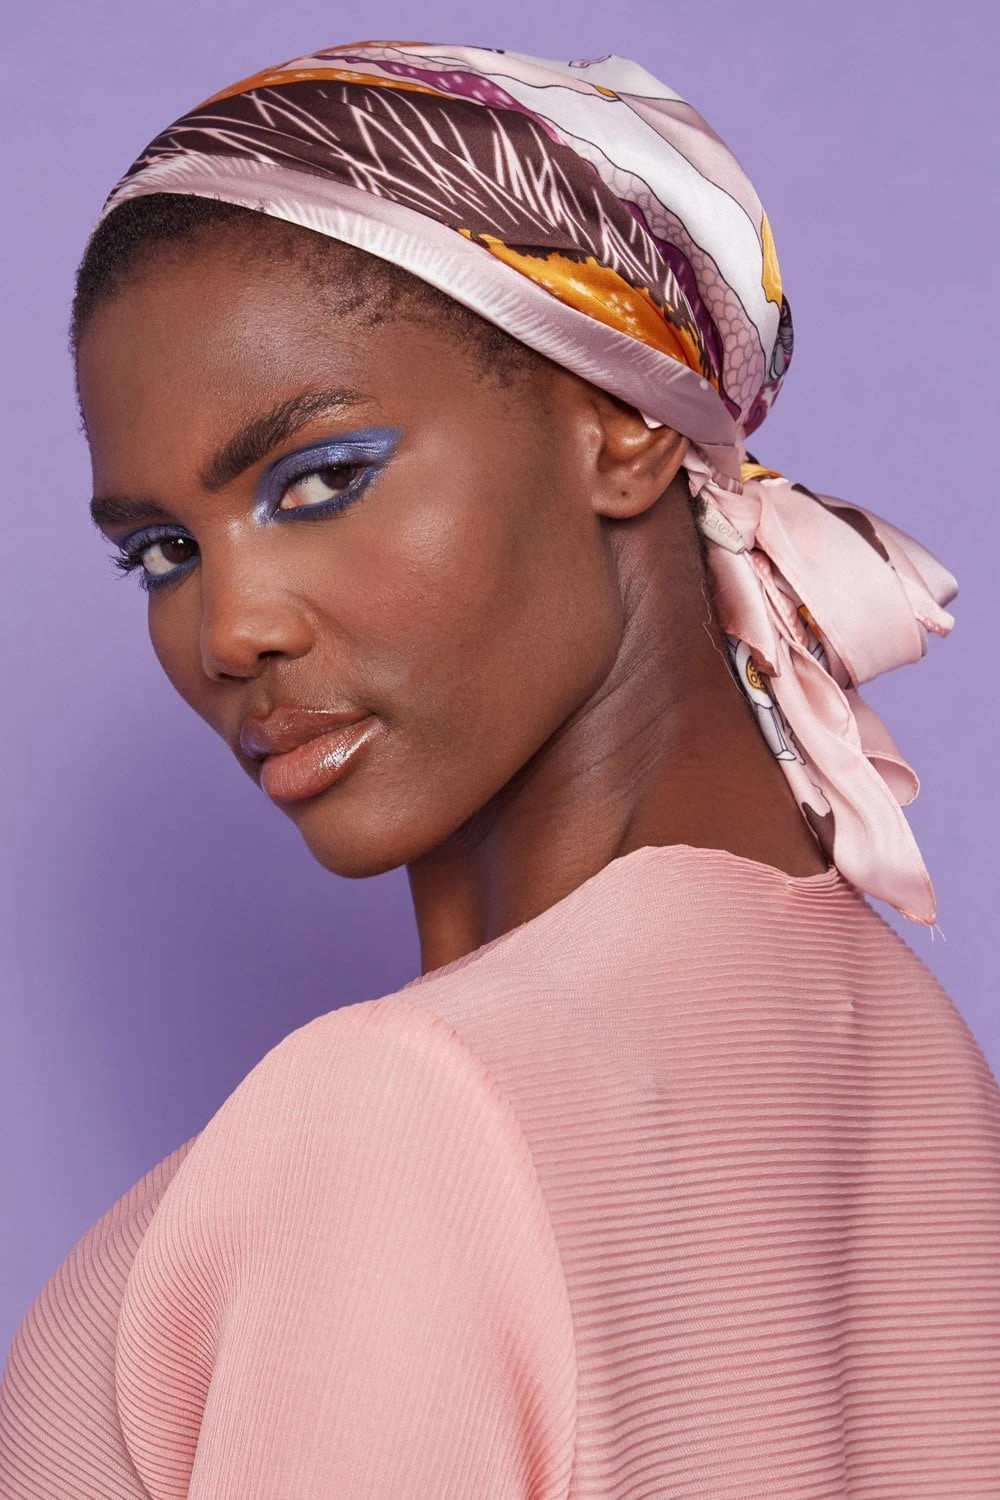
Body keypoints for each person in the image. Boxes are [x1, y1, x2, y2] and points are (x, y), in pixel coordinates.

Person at [1, 40, 997, 1499]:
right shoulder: (914, 1049)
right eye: (162, 552)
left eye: (320, 479)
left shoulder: (403, 1115)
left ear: (625, 419)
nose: (228, 630)